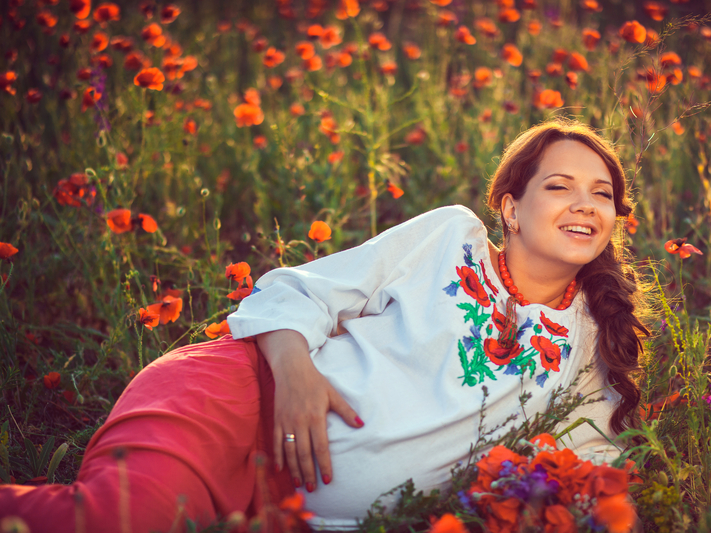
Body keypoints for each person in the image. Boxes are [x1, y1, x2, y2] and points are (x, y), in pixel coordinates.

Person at [0, 119, 649, 532]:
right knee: (115, 522)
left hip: (287, 513)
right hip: (242, 398)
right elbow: (294, 292)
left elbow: (592, 468)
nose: (585, 204)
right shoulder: (451, 239)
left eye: (602, 193)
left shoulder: (591, 341)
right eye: (560, 186)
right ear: (511, 207)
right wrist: (294, 375)